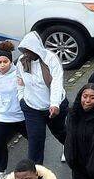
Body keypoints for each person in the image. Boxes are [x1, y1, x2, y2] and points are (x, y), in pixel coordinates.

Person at [15, 31, 67, 165]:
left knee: (60, 131)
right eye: (24, 51)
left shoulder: (50, 59)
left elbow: (56, 82)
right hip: (32, 108)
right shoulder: (22, 63)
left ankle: (69, 148)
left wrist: (54, 104)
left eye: (28, 51)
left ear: (36, 49)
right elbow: (19, 81)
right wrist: (21, 98)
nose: (26, 54)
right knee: (35, 141)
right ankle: (35, 173)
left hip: (53, 105)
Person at [0, 41, 25, 179]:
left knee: (36, 137)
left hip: (19, 114)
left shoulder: (18, 74)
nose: (2, 65)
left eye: (5, 61)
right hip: (1, 116)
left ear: (11, 61)